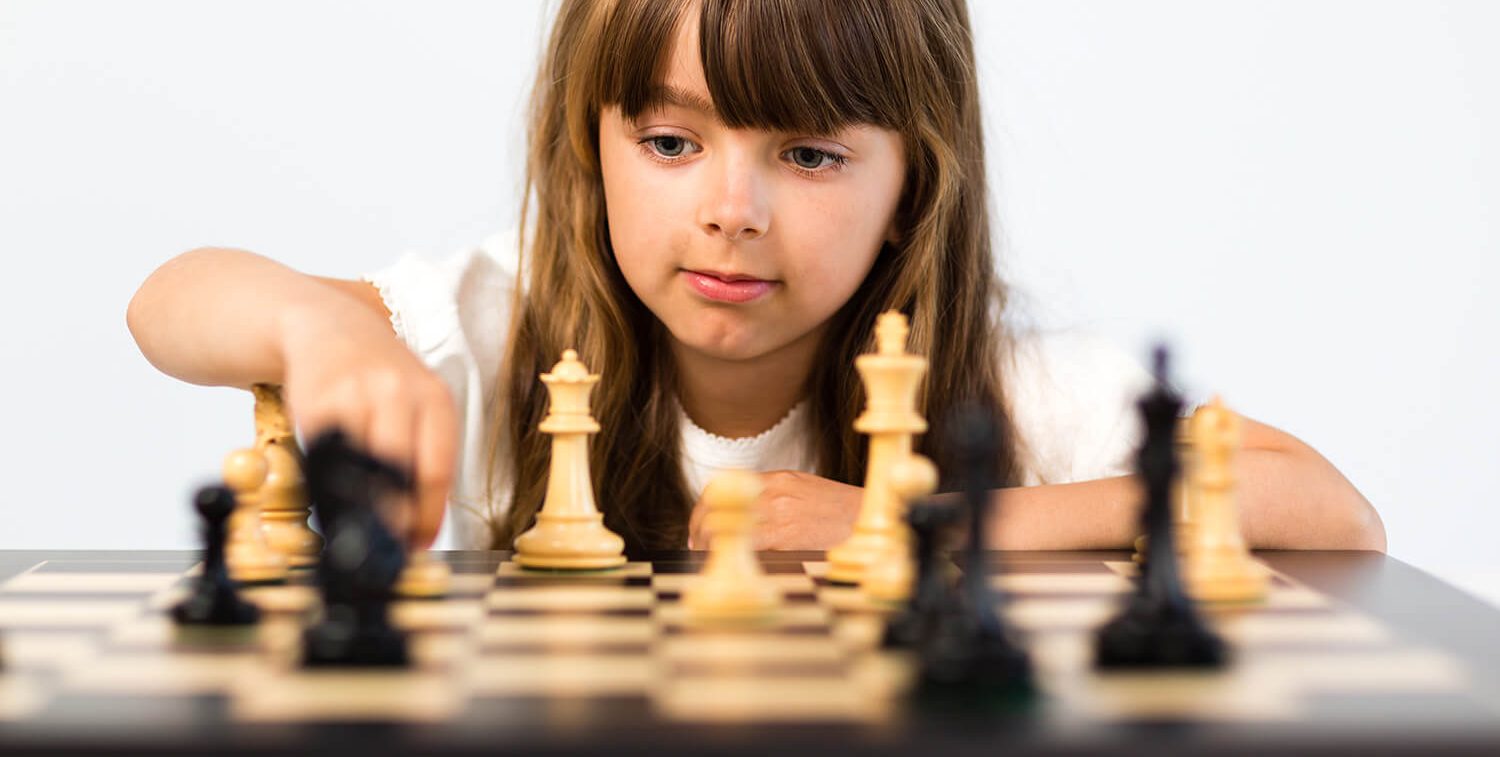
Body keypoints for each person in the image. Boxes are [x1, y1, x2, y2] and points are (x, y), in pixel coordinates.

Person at [126, 0, 1385, 554]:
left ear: (913, 188)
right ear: (593, 148)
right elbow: (169, 302)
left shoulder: (981, 384)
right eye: (670, 142)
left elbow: (1328, 507)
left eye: (812, 152)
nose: (732, 211)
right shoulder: (501, 323)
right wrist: (315, 328)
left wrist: (923, 530)